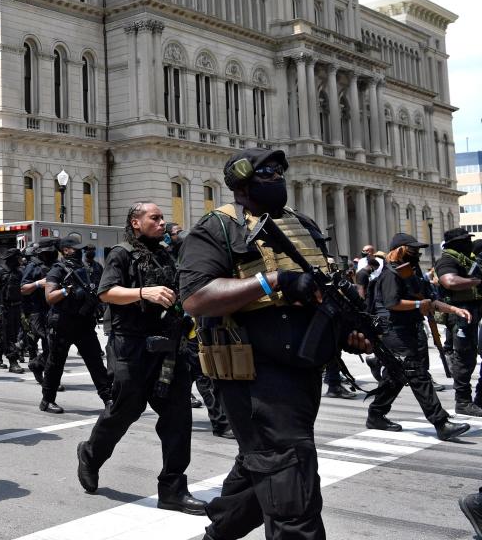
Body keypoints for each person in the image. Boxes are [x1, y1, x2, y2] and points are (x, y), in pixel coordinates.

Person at [178, 148, 372, 540]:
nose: (278, 178)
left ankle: (218, 532)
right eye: (267, 172)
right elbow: (196, 296)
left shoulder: (301, 225)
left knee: (265, 469)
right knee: (292, 492)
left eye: (280, 171)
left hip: (302, 374)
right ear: (244, 182)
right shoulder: (218, 228)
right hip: (255, 378)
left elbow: (323, 291)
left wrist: (347, 332)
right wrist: (274, 281)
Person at [77, 202, 204, 515]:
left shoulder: (164, 254)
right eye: (155, 218)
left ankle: (173, 489)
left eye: (162, 218)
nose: (162, 223)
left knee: (178, 415)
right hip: (130, 345)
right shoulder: (121, 253)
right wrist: (143, 292)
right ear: (136, 222)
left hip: (167, 346)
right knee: (125, 409)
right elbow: (106, 292)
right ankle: (91, 455)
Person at [366, 233, 472, 440]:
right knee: (417, 373)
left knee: (396, 376)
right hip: (393, 331)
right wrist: (417, 305)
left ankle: (376, 414)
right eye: (412, 249)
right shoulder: (390, 273)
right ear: (399, 250)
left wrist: (454, 309)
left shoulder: (410, 272)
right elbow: (391, 303)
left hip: (408, 329)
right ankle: (441, 422)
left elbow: (429, 300)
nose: (416, 253)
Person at [39, 236, 111, 413]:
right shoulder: (57, 270)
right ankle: (47, 400)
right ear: (66, 250)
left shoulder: (86, 269)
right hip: (62, 323)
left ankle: (108, 398)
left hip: (84, 323)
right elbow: (49, 297)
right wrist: (66, 290)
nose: (80, 251)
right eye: (76, 248)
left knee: (95, 361)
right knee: (56, 364)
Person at [434, 227, 482, 416]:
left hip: (471, 312)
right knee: (464, 358)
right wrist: (476, 281)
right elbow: (449, 282)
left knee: (469, 357)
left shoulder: (466, 259)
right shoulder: (447, 260)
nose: (469, 243)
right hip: (459, 314)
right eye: (465, 240)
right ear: (455, 243)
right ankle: (462, 401)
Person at [22, 238, 59, 384]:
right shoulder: (33, 266)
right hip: (38, 310)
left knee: (54, 344)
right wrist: (38, 283)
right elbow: (23, 289)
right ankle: (42, 370)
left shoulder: (57, 265)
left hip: (55, 310)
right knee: (47, 342)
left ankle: (39, 366)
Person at [0, 248, 25, 374]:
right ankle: (13, 361)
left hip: (16, 308)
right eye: (19, 258)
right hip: (2, 310)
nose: (21, 260)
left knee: (10, 335)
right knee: (7, 335)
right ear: (12, 259)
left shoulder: (19, 272)